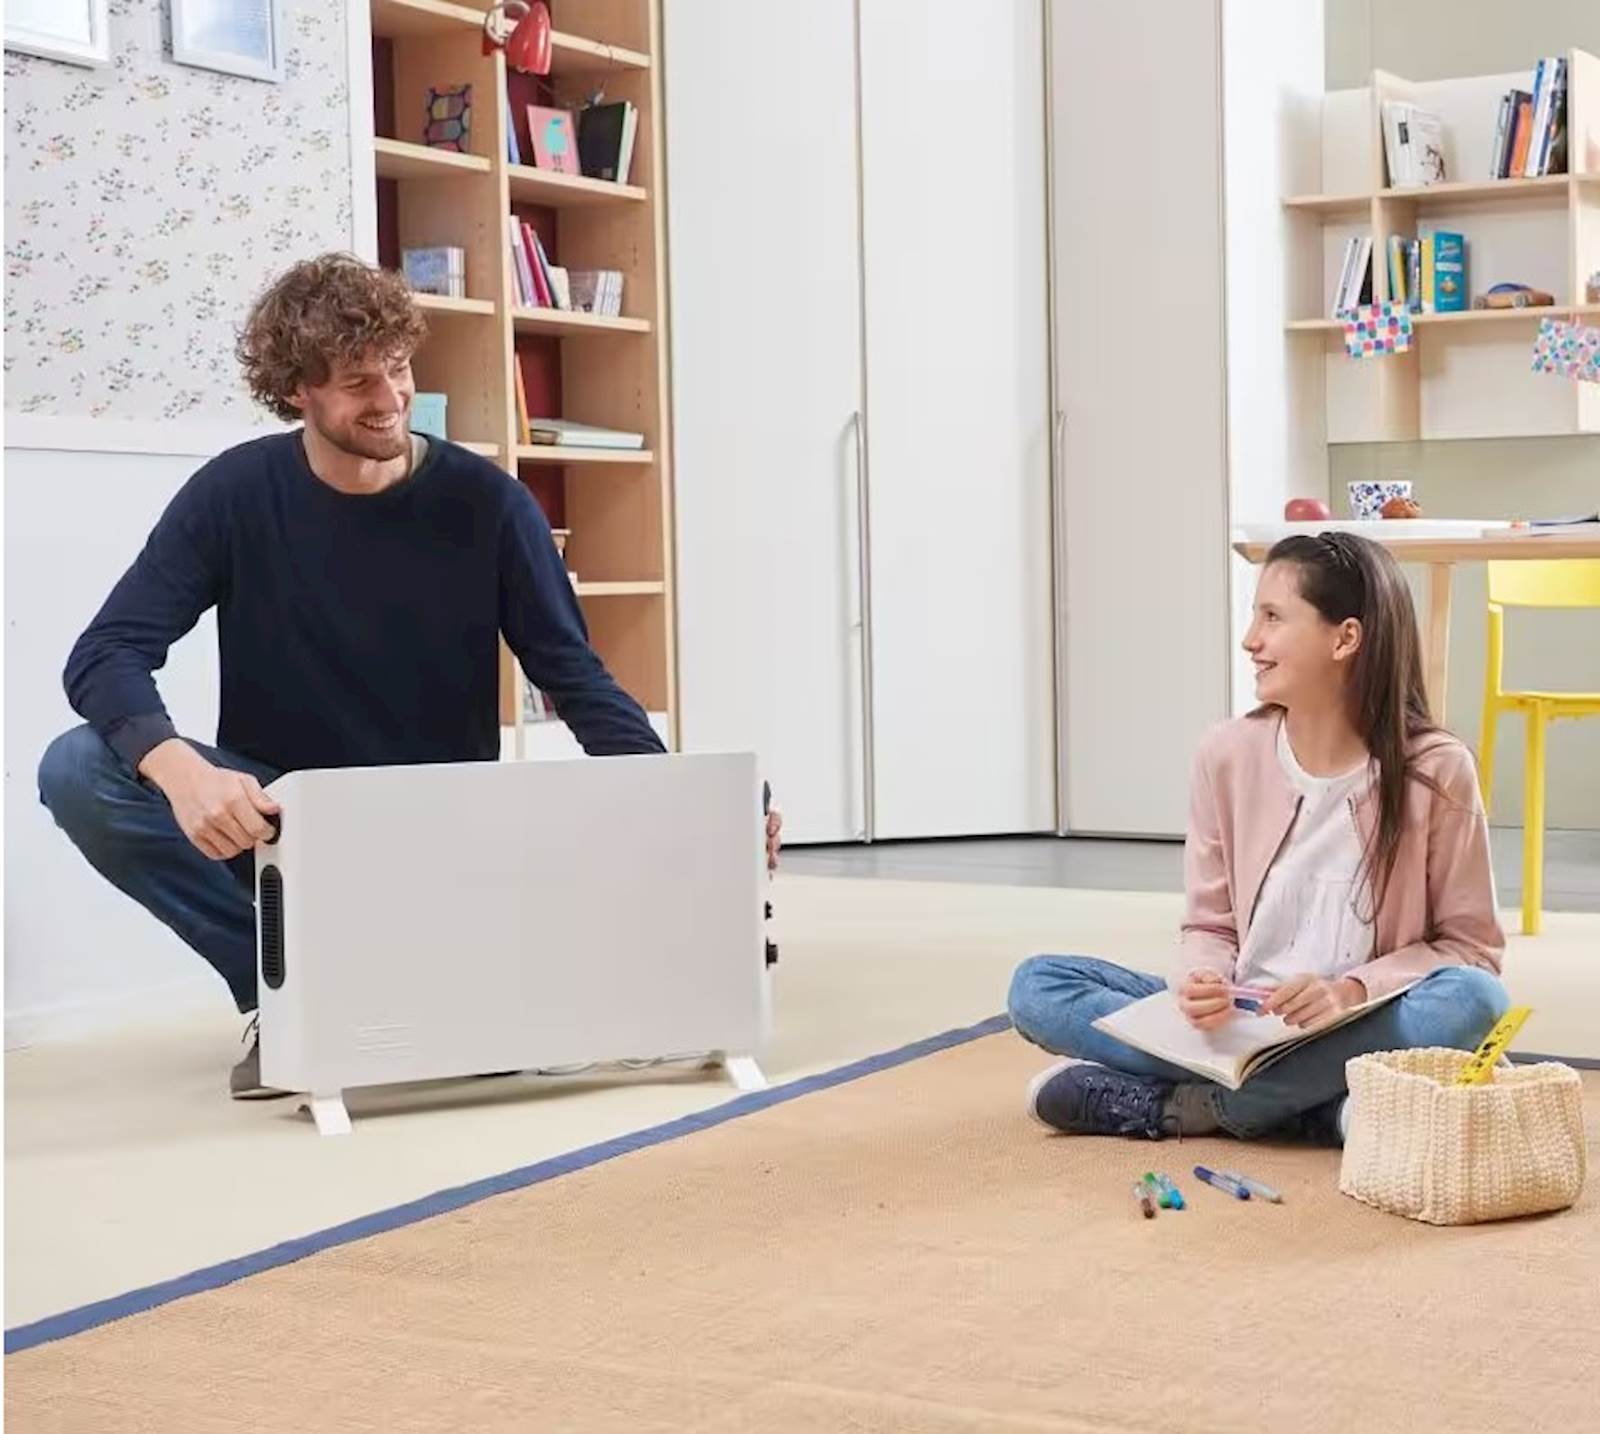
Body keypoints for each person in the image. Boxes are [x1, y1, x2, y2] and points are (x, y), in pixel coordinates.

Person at [37, 253, 782, 1098]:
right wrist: (181, 771)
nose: (390, 398)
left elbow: (578, 682)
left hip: (446, 829)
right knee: (78, 768)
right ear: (298, 392)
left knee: (673, 820)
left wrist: (693, 810)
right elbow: (106, 652)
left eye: (398, 368)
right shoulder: (232, 495)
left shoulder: (490, 505)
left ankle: (429, 983)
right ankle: (283, 998)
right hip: (289, 824)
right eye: (358, 382)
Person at [1008, 531, 1507, 1143]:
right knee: (1039, 986)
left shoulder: (1435, 768)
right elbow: (1210, 925)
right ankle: (1320, 1108)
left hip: (1358, 1023)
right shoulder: (1227, 753)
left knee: (1474, 999)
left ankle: (1200, 1109)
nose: (1251, 639)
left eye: (1273, 617)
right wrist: (1202, 979)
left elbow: (1471, 949)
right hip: (1239, 1021)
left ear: (1345, 639)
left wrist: (1350, 991)